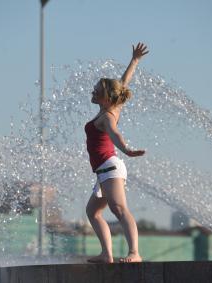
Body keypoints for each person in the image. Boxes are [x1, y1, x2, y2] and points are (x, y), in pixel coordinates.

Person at [84, 43, 149, 263]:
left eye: (96, 90)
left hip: (110, 168)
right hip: (103, 172)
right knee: (93, 212)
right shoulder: (108, 109)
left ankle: (134, 253)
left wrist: (127, 150)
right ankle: (106, 255)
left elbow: (115, 134)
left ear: (105, 96)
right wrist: (135, 60)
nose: (92, 91)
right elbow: (123, 83)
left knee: (119, 209)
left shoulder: (107, 116)